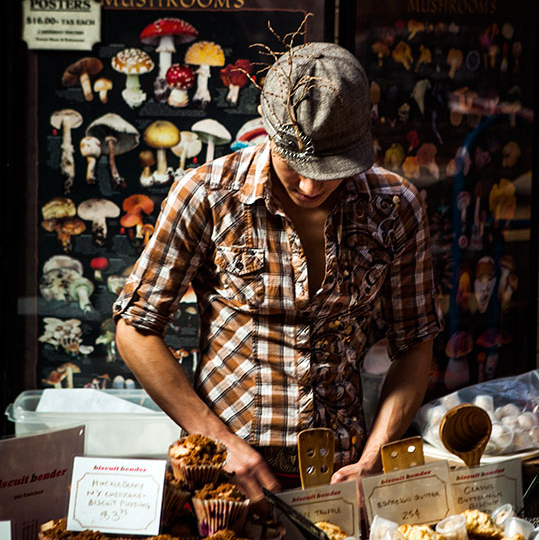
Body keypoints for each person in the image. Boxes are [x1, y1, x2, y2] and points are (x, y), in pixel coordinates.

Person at [113, 42, 442, 499]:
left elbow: (416, 341)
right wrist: (217, 441)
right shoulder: (207, 194)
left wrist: (374, 456)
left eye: (330, 170)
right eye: (298, 166)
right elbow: (135, 329)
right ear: (269, 132)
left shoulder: (395, 206)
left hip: (344, 471)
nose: (311, 186)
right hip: (225, 472)